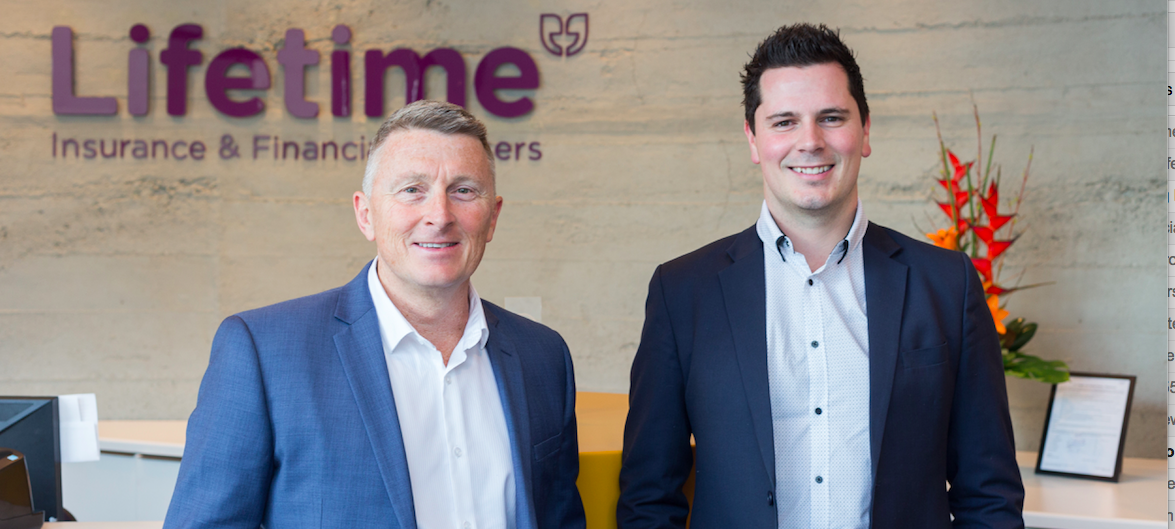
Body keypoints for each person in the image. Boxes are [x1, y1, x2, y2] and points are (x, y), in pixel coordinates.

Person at [617, 23, 1024, 529]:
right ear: (753, 139)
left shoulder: (947, 284)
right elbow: (648, 497)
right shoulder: (682, 293)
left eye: (831, 118)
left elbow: (988, 493)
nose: (809, 142)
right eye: (784, 122)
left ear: (865, 130)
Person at [164, 100, 586, 529]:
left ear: (492, 217)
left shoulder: (543, 356)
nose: (439, 216)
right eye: (412, 190)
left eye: (463, 191)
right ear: (366, 215)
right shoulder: (264, 352)